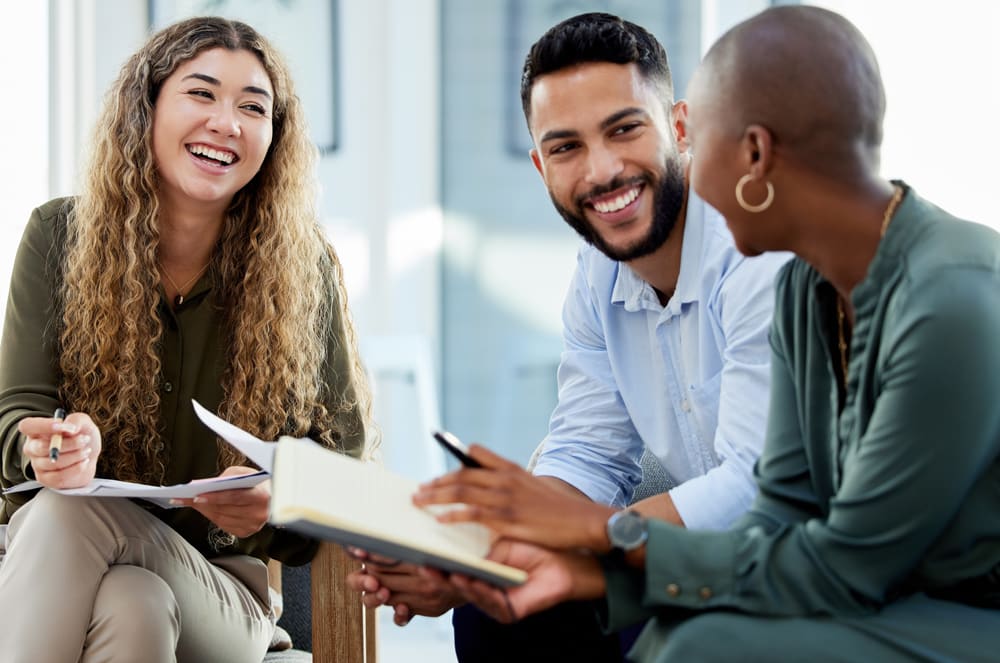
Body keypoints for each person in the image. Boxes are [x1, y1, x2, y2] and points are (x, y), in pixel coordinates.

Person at [418, 5, 1000, 661]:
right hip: (834, 577)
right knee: (575, 614)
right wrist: (551, 559)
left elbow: (842, 559)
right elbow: (780, 509)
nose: (686, 170)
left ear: (746, 151)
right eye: (566, 146)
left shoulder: (948, 293)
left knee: (703, 643)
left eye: (697, 139)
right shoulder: (811, 295)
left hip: (951, 604)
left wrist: (593, 536)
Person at [350, 12, 788, 662]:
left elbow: (753, 485)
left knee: (638, 619)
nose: (602, 170)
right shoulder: (596, 274)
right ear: (540, 165)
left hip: (788, 568)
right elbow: (588, 452)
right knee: (497, 610)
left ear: (679, 126)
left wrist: (572, 532)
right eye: (566, 147)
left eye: (624, 129)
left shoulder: (755, 251)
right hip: (687, 556)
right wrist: (472, 556)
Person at [0, 16, 371, 663]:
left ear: (273, 137)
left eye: (252, 106)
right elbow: (14, 420)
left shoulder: (303, 266)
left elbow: (344, 467)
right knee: (131, 604)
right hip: (80, 573)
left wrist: (274, 501)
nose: (226, 122)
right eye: (201, 93)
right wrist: (51, 449)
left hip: (223, 593)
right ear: (146, 109)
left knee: (68, 515)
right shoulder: (58, 236)